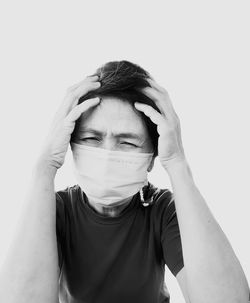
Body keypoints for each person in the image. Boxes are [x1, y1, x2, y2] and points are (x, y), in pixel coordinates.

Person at [0, 60, 249, 303]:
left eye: (127, 142)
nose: (107, 155)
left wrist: (177, 163)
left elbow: (230, 299)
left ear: (151, 159)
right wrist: (44, 168)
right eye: (91, 138)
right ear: (71, 146)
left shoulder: (164, 211)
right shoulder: (55, 211)